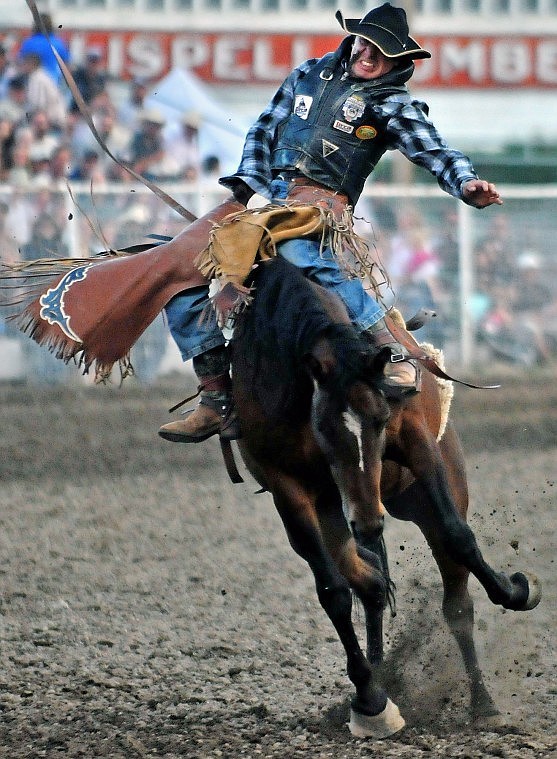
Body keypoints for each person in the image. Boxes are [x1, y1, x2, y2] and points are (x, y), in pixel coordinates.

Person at [153, 3, 502, 444]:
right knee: (177, 263)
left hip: (320, 211)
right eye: (365, 43)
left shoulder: (393, 104)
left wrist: (466, 182)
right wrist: (252, 187)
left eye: (381, 53)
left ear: (399, 61)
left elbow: (435, 151)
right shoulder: (308, 74)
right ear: (354, 38)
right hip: (261, 202)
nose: (368, 56)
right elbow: (264, 129)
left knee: (301, 254)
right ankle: (216, 394)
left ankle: (388, 346)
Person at [18, 12, 70, 86]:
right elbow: (67, 65)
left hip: (33, 83)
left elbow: (21, 63)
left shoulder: (28, 43)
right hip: (54, 83)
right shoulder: (58, 43)